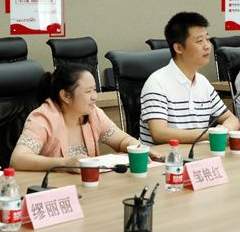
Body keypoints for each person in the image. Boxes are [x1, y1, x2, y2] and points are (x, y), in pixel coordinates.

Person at [9, 63, 163, 171]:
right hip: (55, 190)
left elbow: (122, 140)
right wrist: (65, 164)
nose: (94, 96)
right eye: (88, 91)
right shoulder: (43, 118)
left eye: (95, 90)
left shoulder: (92, 113)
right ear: (66, 96)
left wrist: (138, 149)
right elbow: (18, 159)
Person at [140, 12, 240, 145]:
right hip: (165, 156)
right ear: (178, 48)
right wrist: (208, 134)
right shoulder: (157, 82)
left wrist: (224, 130)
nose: (207, 46)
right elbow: (159, 134)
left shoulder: (203, 82)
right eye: (199, 41)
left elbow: (232, 119)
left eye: (207, 39)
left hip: (197, 154)